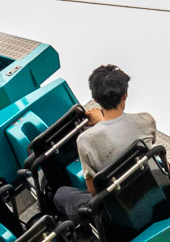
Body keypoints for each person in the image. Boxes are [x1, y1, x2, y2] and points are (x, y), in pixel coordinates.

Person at [54, 64, 155, 216]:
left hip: (122, 216)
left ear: (95, 99)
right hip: (158, 198)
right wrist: (103, 123)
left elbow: (94, 191)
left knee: (61, 194)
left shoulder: (85, 140)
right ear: (124, 95)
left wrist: (101, 124)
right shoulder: (146, 120)